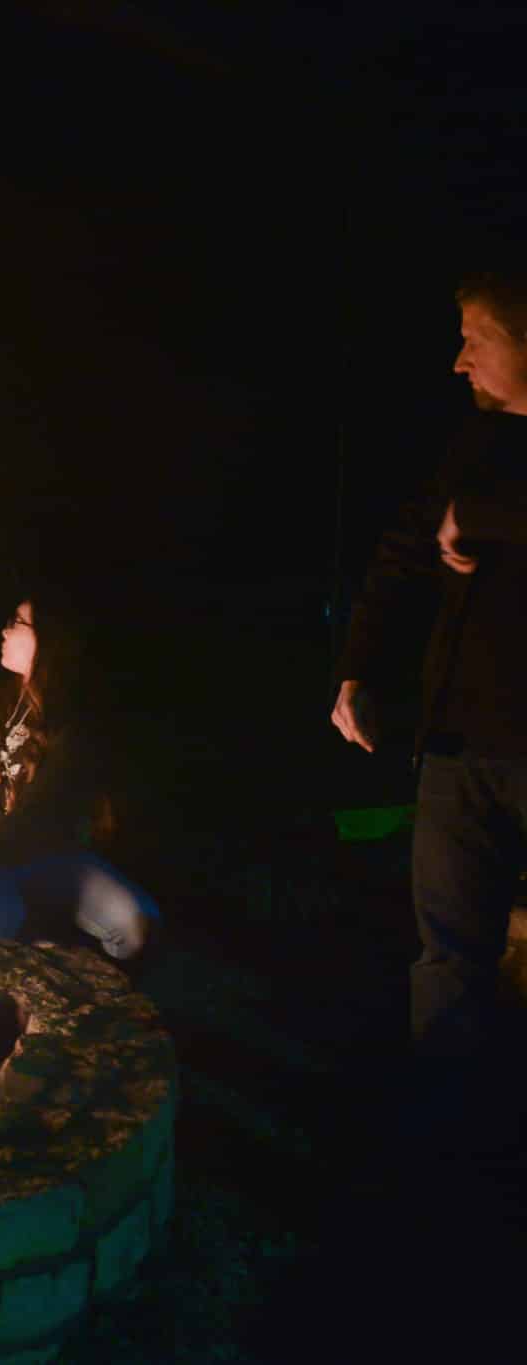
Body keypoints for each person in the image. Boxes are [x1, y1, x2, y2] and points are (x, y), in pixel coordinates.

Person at [331, 270, 527, 1081]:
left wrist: (482, 519)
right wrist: (357, 671)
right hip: (457, 744)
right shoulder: (473, 445)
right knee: (446, 958)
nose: (459, 361)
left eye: (476, 338)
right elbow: (403, 552)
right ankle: (447, 1143)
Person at [0, 597, 157, 962]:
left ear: (49, 641)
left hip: (39, 858)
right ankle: (36, 944)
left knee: (135, 923)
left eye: (16, 622)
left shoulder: (69, 723)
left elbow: (40, 811)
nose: (4, 631)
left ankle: (95, 981)